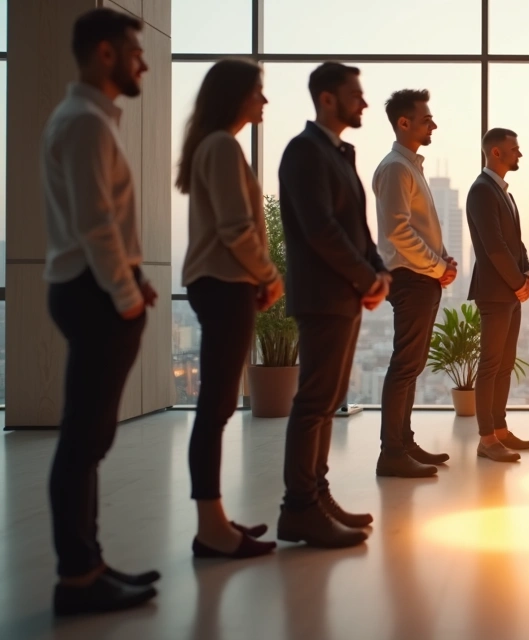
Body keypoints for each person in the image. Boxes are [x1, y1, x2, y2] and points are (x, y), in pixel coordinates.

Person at [41, 8, 158, 616]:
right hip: (91, 293)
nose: (142, 61)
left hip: (94, 288)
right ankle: (77, 580)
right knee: (83, 440)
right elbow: (95, 226)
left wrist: (133, 279)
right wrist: (126, 293)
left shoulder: (91, 120)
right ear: (106, 54)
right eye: (135, 51)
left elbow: (103, 223)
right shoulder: (85, 123)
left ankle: (87, 565)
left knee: (88, 438)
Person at [276, 62, 390, 548]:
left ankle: (317, 497)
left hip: (343, 293)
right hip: (324, 295)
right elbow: (319, 228)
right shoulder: (304, 152)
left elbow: (356, 227)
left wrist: (377, 270)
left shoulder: (338, 152)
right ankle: (299, 507)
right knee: (314, 403)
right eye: (355, 95)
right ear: (327, 99)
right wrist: (366, 276)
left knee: (327, 401)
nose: (364, 103)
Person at [177, 59, 283, 559]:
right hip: (222, 283)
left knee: (217, 407)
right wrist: (268, 274)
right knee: (215, 407)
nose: (264, 101)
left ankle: (214, 520)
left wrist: (253, 278)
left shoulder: (218, 145)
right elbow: (236, 230)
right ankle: (210, 528)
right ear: (237, 96)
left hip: (224, 282)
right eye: (258, 92)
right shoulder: (221, 146)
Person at [373, 88, 454, 479]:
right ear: (404, 123)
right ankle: (392, 453)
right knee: (405, 365)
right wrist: (439, 267)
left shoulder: (409, 168)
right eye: (426, 119)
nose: (433, 124)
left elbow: (417, 228)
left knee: (412, 364)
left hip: (421, 277)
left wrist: (442, 261)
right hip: (411, 279)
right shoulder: (395, 169)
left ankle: (403, 442)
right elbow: (398, 232)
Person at [467, 128, 529, 463]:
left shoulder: (504, 193)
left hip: (510, 292)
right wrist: (517, 283)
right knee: (491, 365)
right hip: (496, 293)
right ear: (496, 152)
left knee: (505, 364)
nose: (519, 154)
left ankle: (501, 429)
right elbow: (493, 246)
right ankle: (486, 439)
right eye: (514, 149)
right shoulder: (481, 191)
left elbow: (515, 242)